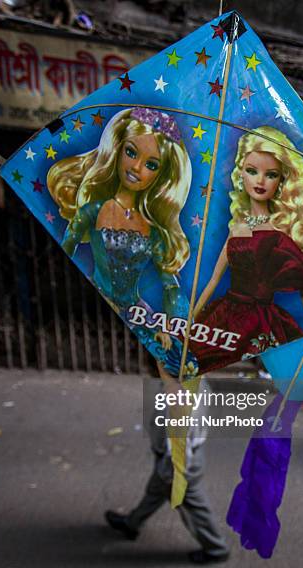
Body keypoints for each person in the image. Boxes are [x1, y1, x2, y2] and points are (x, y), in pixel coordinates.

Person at [47, 107, 195, 375]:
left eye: (151, 165)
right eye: (131, 152)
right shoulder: (92, 212)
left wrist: (171, 326)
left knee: (174, 367)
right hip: (97, 309)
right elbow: (66, 251)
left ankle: (171, 414)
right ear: (117, 150)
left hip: (139, 315)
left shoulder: (155, 230)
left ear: (161, 175)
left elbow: (170, 286)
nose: (137, 168)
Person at [189, 126, 303, 374]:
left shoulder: (280, 232)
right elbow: (214, 280)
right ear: (241, 175)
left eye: (270, 175)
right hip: (226, 312)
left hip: (261, 319)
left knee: (270, 374)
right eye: (252, 171)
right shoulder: (237, 226)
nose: (260, 181)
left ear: (281, 181)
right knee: (198, 362)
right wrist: (190, 321)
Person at [105, 376, 230, 564]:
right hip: (185, 456)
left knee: (193, 506)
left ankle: (216, 548)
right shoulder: (196, 381)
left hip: (177, 465)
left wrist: (171, 476)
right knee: (155, 491)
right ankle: (132, 523)